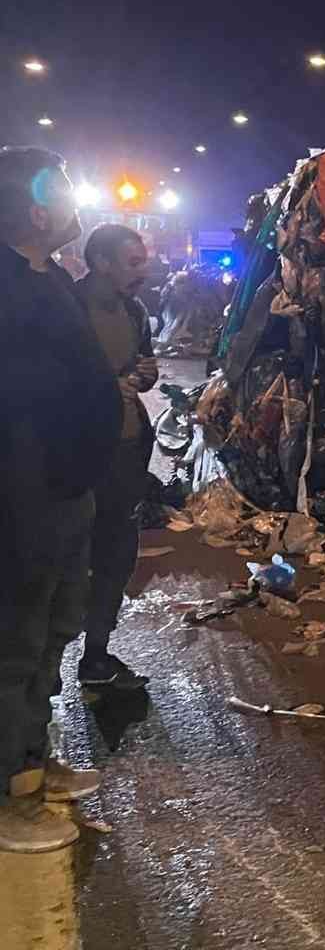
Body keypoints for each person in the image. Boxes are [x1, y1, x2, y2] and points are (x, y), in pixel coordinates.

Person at [0, 147, 121, 853]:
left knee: (51, 631)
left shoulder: (48, 280)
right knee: (13, 642)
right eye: (67, 190)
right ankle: (9, 794)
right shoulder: (8, 287)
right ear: (38, 210)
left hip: (67, 491)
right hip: (26, 498)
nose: (78, 202)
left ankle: (30, 763)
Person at [75, 224, 159, 690]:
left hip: (125, 449)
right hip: (73, 453)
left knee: (116, 555)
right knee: (65, 557)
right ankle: (32, 676)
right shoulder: (64, 309)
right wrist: (110, 387)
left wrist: (144, 375)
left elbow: (140, 368)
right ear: (101, 262)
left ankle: (96, 656)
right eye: (133, 262)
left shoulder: (135, 310)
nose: (143, 270)